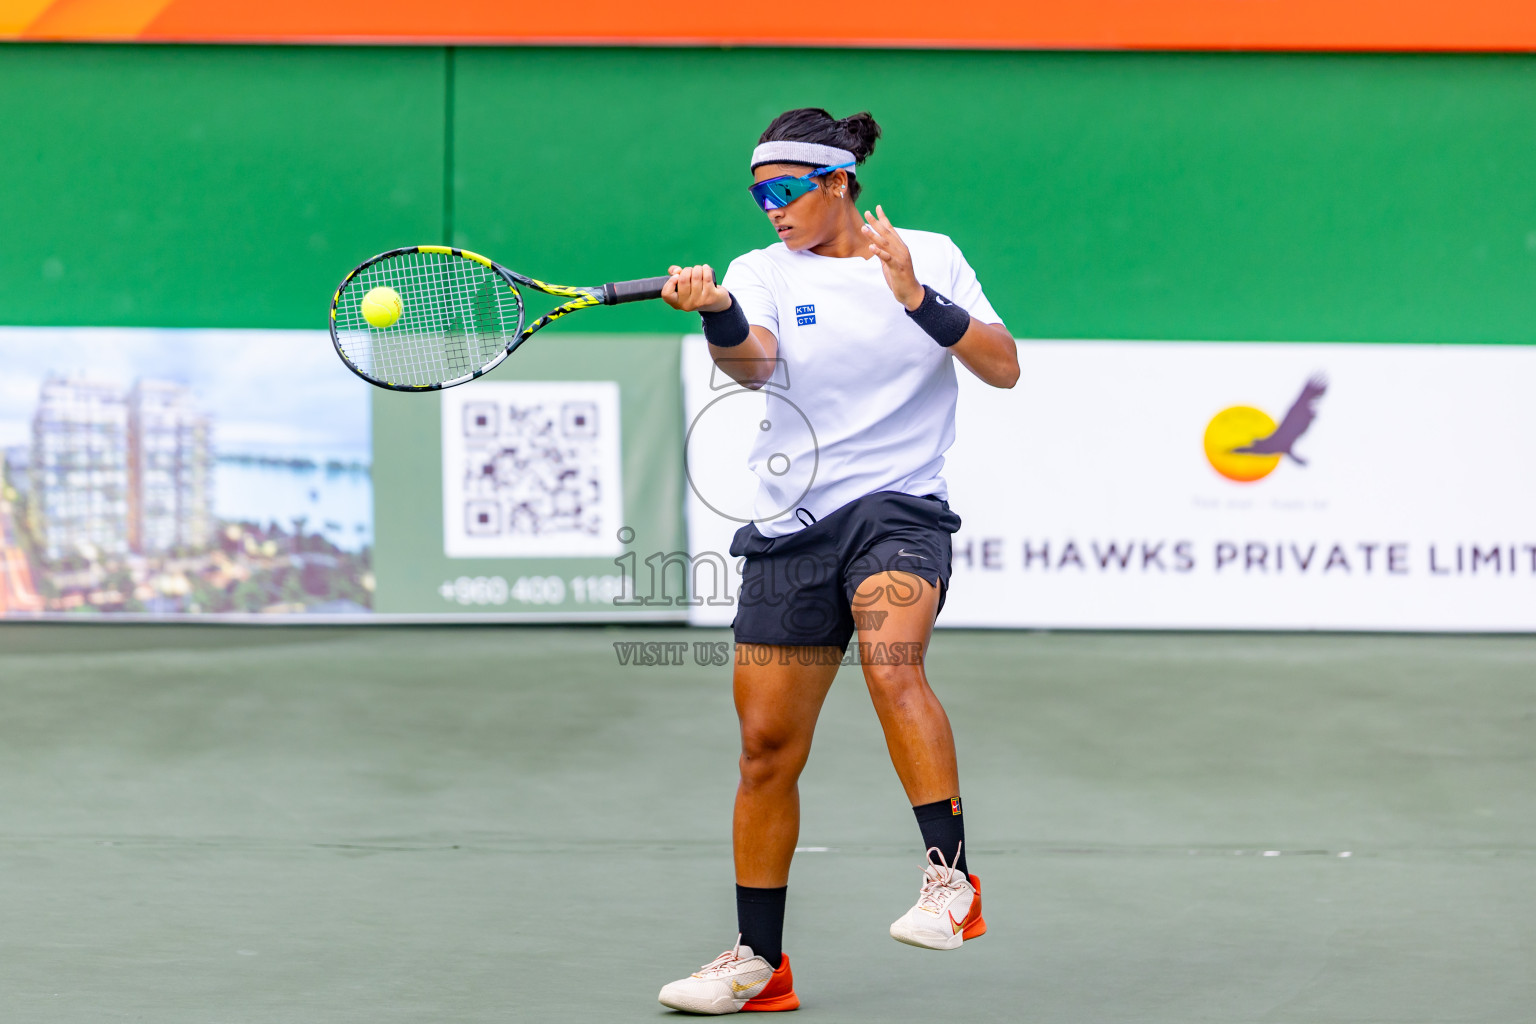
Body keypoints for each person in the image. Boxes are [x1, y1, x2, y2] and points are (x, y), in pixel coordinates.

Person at [656, 107, 1019, 1015]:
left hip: (899, 508)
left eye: (785, 190)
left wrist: (914, 298)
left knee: (895, 663)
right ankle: (759, 963)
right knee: (764, 750)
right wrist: (718, 312)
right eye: (757, 193)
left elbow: (1004, 366)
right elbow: (757, 368)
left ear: (838, 183)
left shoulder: (928, 253)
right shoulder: (758, 272)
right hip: (791, 526)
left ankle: (951, 884)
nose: (769, 208)